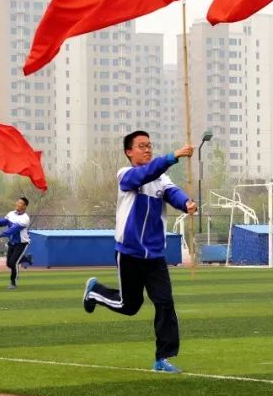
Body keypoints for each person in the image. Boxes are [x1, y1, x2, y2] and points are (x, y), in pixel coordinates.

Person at [81, 131, 197, 373]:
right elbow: (146, 173)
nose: (147, 149)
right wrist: (174, 155)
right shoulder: (126, 175)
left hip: (155, 256)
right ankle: (94, 292)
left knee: (165, 303)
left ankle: (163, 358)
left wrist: (186, 203)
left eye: (149, 145)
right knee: (129, 306)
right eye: (142, 146)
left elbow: (172, 193)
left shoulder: (161, 179)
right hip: (129, 253)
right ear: (129, 152)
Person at [0, 196, 30, 289]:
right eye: (18, 202)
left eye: (20, 203)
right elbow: (2, 222)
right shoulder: (11, 214)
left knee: (13, 263)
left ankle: (13, 283)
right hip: (12, 243)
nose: (17, 204)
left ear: (24, 206)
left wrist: (0, 235)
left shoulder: (25, 219)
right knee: (9, 264)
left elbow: (13, 230)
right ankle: (24, 259)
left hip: (21, 243)